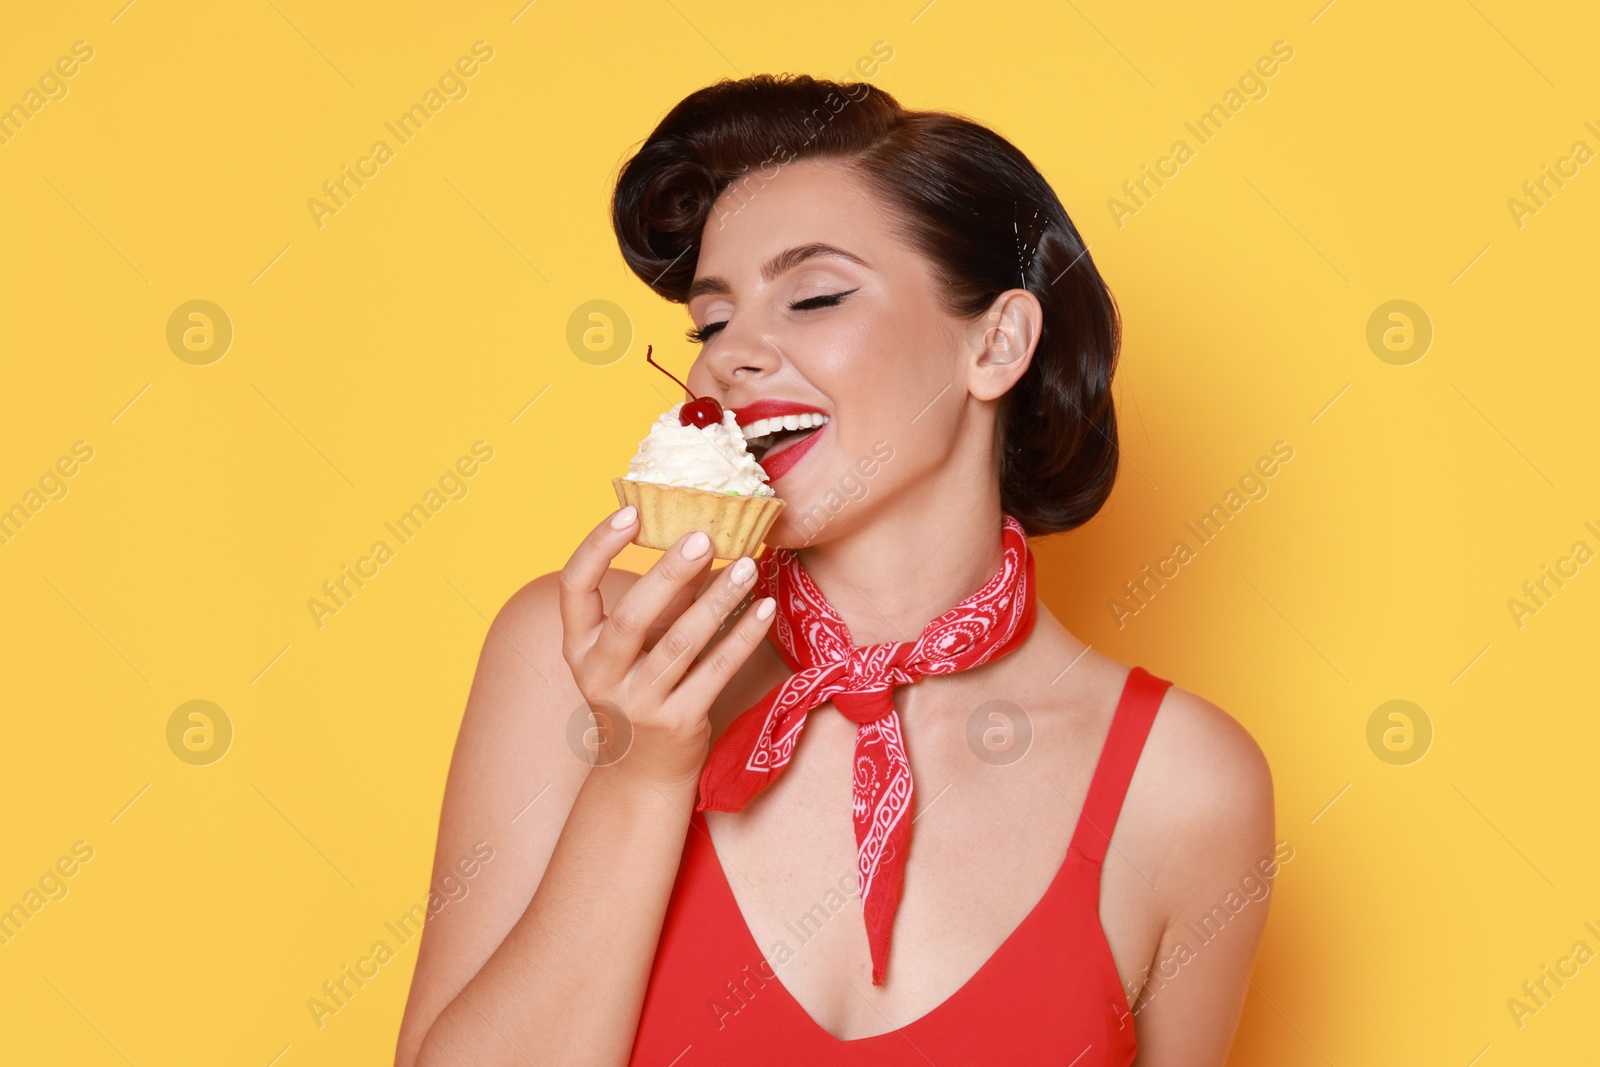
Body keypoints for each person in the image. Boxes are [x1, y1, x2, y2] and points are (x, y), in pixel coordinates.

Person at [396, 73, 1275, 1066]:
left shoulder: (1185, 785)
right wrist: (640, 776)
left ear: (996, 341)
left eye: (811, 295)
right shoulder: (576, 653)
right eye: (711, 323)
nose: (731, 359)